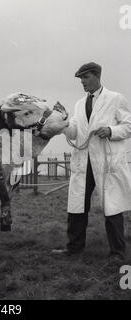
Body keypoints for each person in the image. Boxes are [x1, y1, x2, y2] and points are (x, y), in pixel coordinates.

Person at [52, 62, 131, 261]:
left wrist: (111, 131)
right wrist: (63, 121)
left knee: (111, 206)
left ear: (96, 76)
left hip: (106, 162)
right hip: (83, 161)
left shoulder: (115, 99)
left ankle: (117, 253)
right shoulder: (79, 104)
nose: (82, 82)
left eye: (85, 78)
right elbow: (74, 132)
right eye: (80, 79)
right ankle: (74, 248)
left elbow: (128, 125)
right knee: (77, 204)